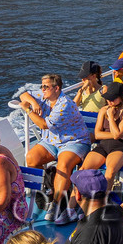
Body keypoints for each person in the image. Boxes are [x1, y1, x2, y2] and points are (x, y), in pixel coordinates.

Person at [21, 72, 92, 225]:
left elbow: (43, 125)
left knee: (63, 165)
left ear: (57, 88)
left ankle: (56, 204)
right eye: (41, 86)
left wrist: (28, 110)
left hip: (73, 141)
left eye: (46, 87)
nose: (42, 90)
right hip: (51, 141)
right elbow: (24, 95)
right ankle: (45, 191)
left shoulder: (64, 105)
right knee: (31, 158)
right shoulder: (44, 96)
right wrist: (33, 102)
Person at [84, 82, 123, 184]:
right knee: (83, 170)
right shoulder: (103, 110)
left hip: (121, 147)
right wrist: (121, 135)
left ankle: (103, 199)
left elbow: (117, 135)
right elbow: (98, 134)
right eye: (108, 99)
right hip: (103, 146)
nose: (109, 101)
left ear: (121, 97)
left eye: (112, 99)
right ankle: (77, 198)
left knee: (110, 172)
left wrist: (111, 117)